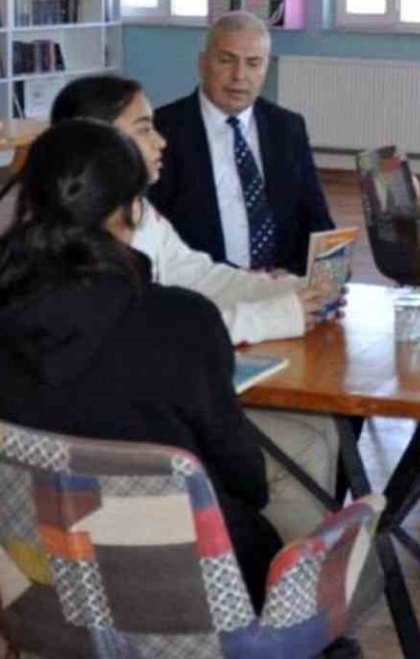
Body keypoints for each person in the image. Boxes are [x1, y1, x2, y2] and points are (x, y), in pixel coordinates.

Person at [0, 120, 283, 607]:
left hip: (42, 584)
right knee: (295, 475)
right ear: (130, 210)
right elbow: (247, 481)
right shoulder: (183, 320)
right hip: (196, 590)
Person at [49, 73, 342, 543]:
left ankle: (304, 560)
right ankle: (288, 575)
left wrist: (286, 291)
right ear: (99, 144)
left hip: (110, 442)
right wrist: (275, 315)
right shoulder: (92, 259)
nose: (161, 140)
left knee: (322, 425)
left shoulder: (137, 213)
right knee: (305, 447)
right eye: (144, 128)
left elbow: (199, 276)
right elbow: (173, 336)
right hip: (130, 456)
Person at [150, 11, 335, 275]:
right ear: (202, 63)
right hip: (201, 287)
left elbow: (317, 219)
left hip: (281, 285)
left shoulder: (287, 127)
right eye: (226, 60)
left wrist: (320, 273)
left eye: (253, 63)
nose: (239, 75)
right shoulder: (162, 131)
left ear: (266, 68)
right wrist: (236, 281)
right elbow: (152, 234)